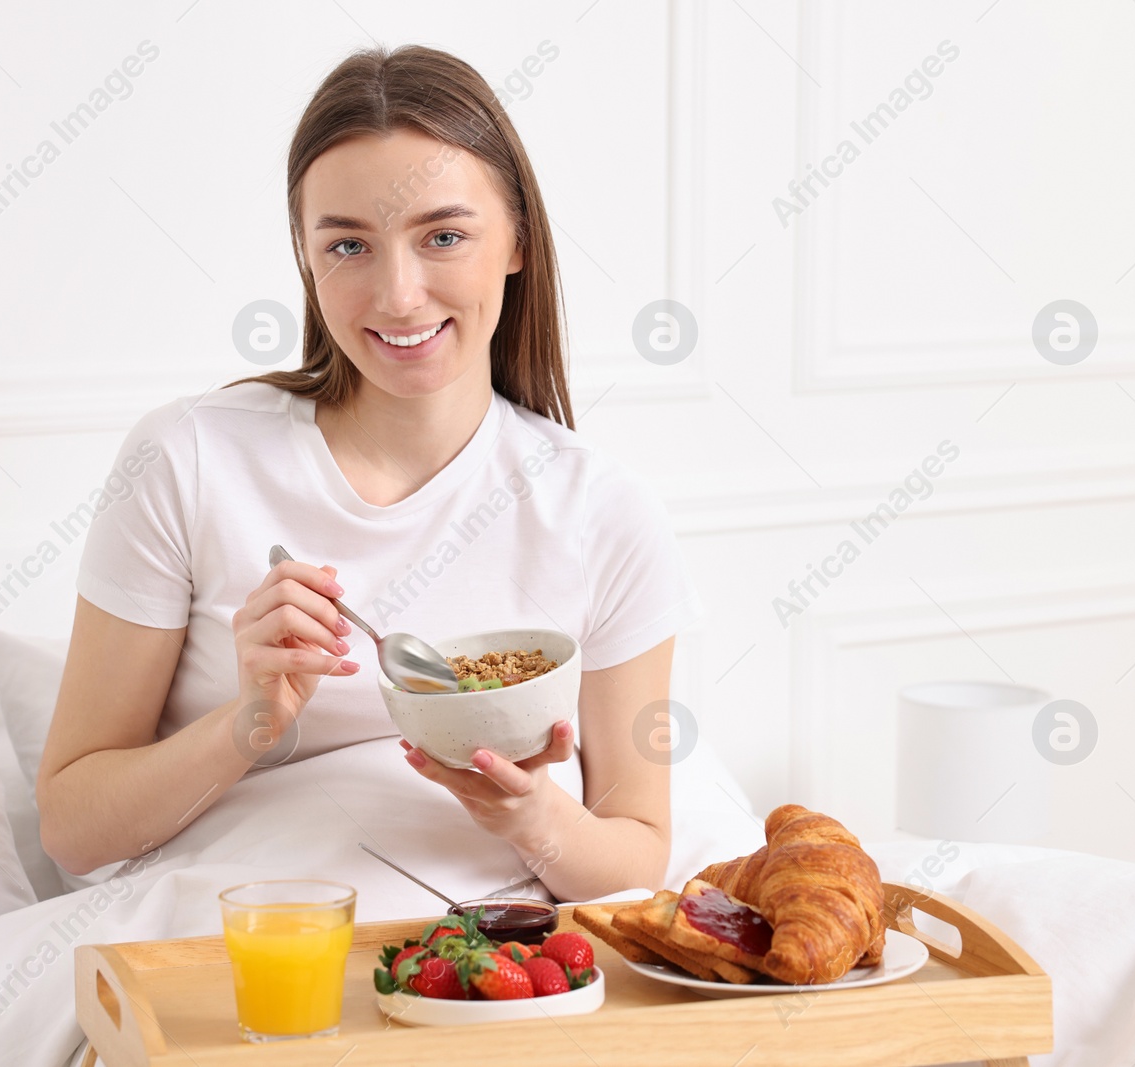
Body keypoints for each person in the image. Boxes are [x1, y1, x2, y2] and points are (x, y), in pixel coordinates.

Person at [36, 44, 704, 903]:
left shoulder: (601, 510)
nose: (397, 294)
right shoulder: (187, 460)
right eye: (349, 245)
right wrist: (247, 726)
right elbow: (73, 826)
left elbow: (637, 848)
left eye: (445, 236)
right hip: (234, 944)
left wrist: (532, 816)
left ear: (518, 241)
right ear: (307, 262)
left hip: (478, 967)